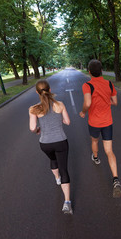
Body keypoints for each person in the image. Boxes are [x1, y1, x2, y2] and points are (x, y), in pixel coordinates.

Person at [29, 79, 73, 214]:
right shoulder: (60, 105)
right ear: (50, 89)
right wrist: (59, 120)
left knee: (53, 160)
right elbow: (67, 122)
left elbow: (32, 128)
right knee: (64, 168)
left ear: (37, 92)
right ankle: (67, 203)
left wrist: (38, 130)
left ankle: (57, 179)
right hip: (60, 141)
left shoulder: (34, 109)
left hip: (45, 144)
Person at [79, 59, 121, 198]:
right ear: (102, 70)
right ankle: (116, 179)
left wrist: (84, 111)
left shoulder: (87, 85)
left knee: (95, 141)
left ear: (89, 72)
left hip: (94, 122)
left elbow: (88, 102)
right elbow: (115, 102)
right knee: (109, 151)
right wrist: (105, 100)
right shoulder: (109, 83)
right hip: (107, 122)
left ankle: (96, 157)